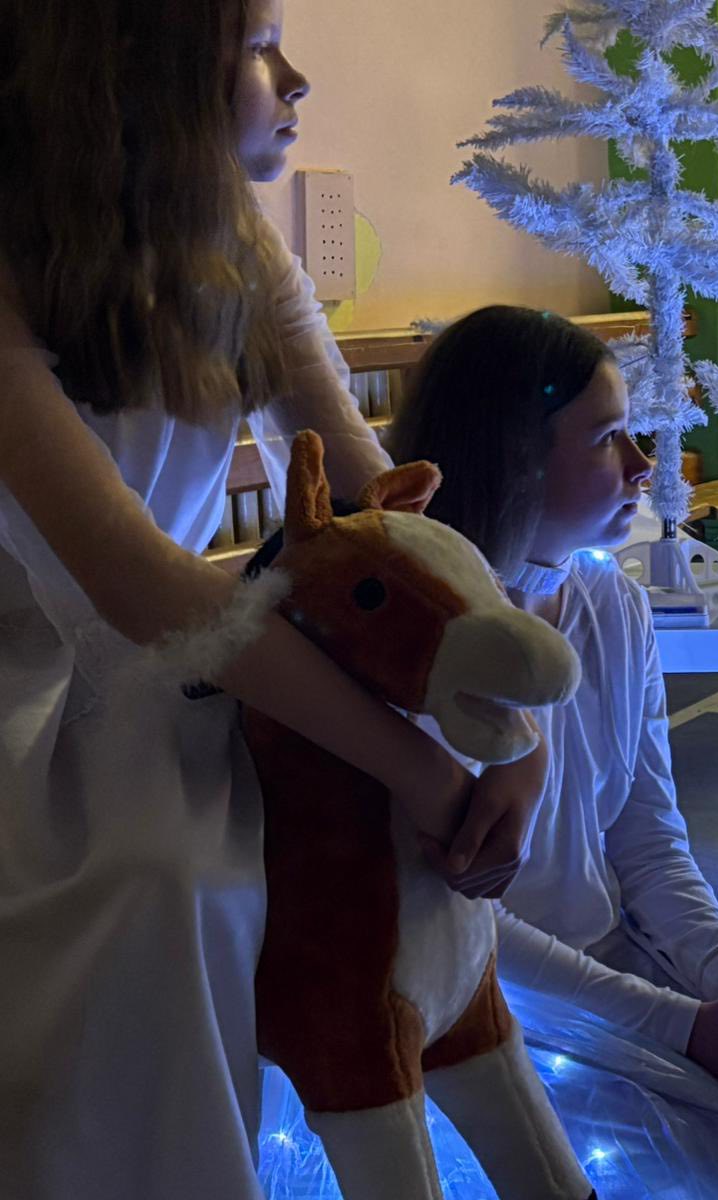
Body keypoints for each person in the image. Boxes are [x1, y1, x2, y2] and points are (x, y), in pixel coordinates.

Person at [0, 3, 544, 1193]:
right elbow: (133, 581)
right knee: (169, 883)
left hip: (191, 662)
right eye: (255, 45)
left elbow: (378, 502)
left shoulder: (237, 244)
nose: (295, 78)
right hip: (43, 697)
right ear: (135, 65)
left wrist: (513, 726)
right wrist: (425, 769)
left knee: (372, 861)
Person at [256, 306, 718, 1198]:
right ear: (515, 456)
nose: (642, 465)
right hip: (484, 1003)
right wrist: (679, 1027)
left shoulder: (613, 606)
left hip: (618, 959)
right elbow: (449, 922)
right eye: (606, 438)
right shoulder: (409, 646)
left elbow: (651, 844)